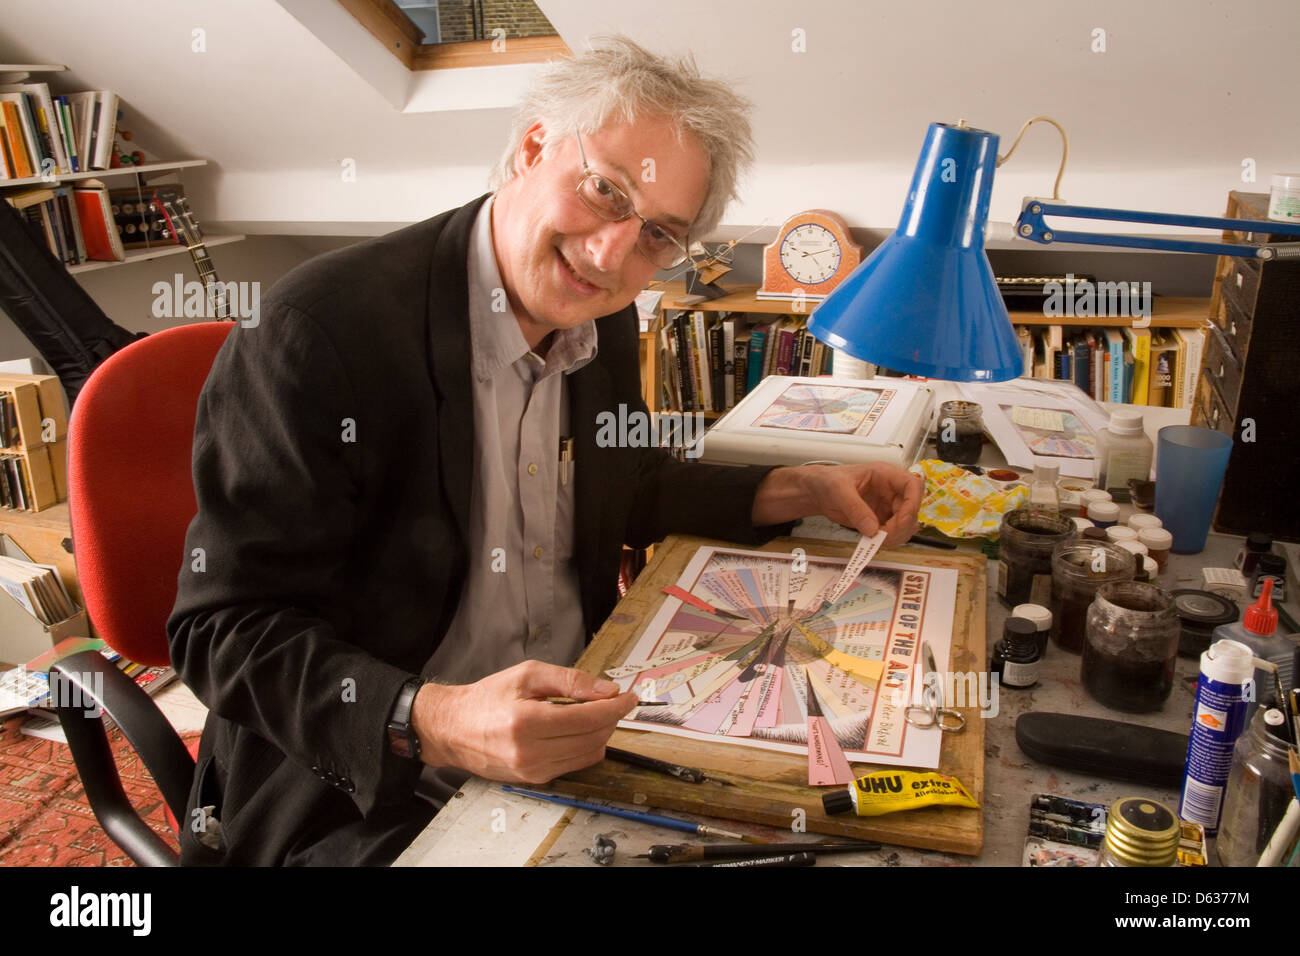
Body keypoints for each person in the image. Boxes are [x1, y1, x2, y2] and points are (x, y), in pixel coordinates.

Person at [166, 35, 922, 866]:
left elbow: (622, 483)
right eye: (604, 192)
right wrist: (434, 718)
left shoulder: (601, 311)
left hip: (583, 717)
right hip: (367, 780)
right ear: (532, 147)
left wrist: (803, 487)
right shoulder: (318, 332)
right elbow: (223, 629)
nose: (610, 254)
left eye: (656, 237)